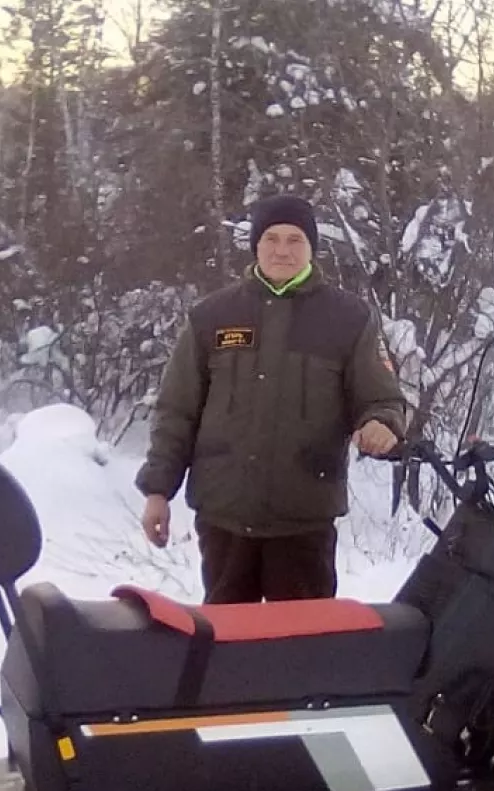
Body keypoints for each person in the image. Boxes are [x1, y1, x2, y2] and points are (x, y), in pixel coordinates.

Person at [135, 193, 407, 604]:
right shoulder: (211, 316)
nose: (282, 250)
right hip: (224, 518)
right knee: (228, 637)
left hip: (304, 522)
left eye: (295, 239)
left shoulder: (349, 319)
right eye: (272, 239)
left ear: (312, 247)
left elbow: (381, 398)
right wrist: (158, 491)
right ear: (256, 245)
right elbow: (177, 411)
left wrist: (381, 423)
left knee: (300, 640)